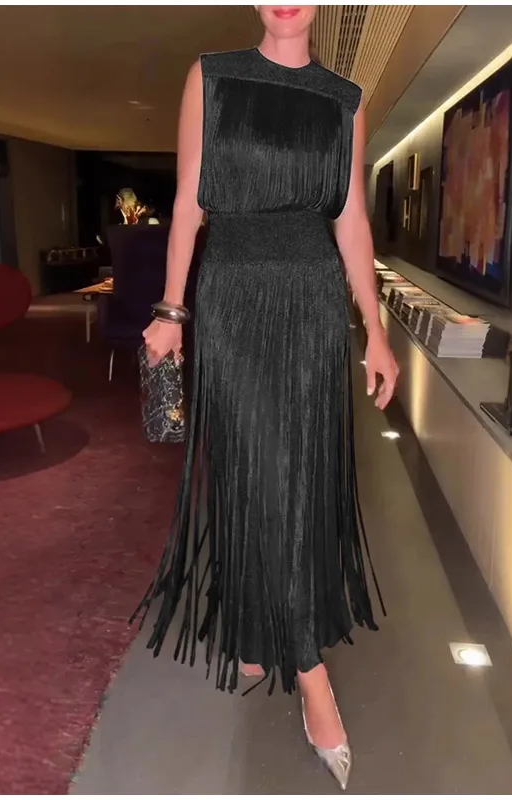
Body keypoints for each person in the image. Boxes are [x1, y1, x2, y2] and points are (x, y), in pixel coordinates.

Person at [132, 5, 399, 790]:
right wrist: (172, 310)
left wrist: (376, 331)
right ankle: (307, 668)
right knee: (254, 469)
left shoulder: (344, 98)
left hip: (313, 304)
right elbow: (190, 202)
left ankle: (274, 636)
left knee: (300, 477)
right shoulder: (212, 77)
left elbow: (350, 218)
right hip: (235, 300)